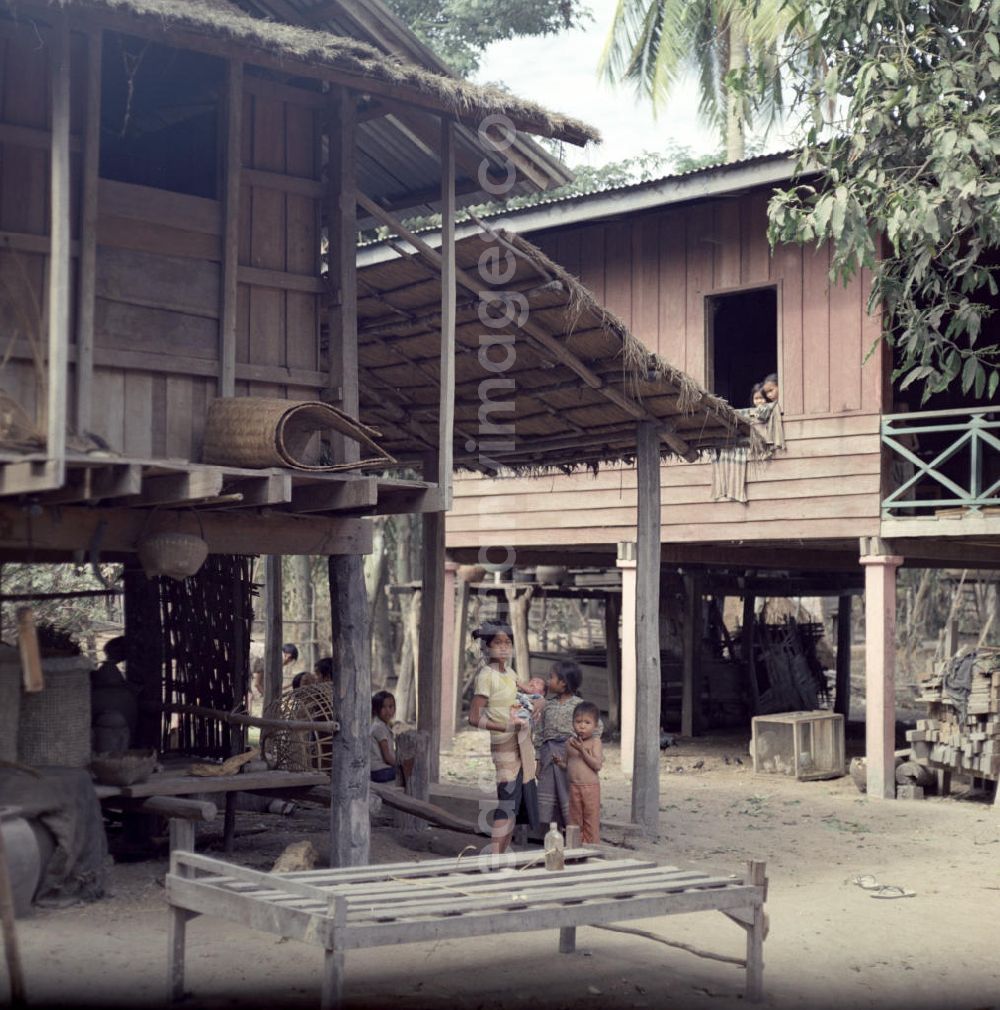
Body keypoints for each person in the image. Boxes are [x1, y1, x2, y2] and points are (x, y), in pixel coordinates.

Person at [468, 621, 540, 853]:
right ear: (487, 646)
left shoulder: (510, 672)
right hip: (503, 744)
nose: (503, 648)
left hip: (521, 741)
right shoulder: (486, 676)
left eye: (507, 643)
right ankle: (495, 855)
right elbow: (474, 718)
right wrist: (505, 725)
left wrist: (533, 697)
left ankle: (502, 853)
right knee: (507, 800)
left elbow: (524, 691)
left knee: (516, 801)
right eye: (497, 643)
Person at [534, 660, 584, 828]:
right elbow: (540, 734)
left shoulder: (579, 705)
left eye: (551, 677)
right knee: (548, 789)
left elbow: (596, 727)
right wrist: (538, 760)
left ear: (563, 682)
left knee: (567, 791)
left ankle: (571, 827)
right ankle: (552, 830)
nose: (548, 681)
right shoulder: (547, 706)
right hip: (548, 756)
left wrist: (582, 751)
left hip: (569, 756)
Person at [567, 701, 603, 844]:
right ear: (573, 723)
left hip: (590, 787)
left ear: (595, 726)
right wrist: (560, 763)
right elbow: (568, 763)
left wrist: (582, 750)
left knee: (591, 819)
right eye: (578, 722)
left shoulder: (595, 742)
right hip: (573, 786)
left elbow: (597, 765)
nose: (582, 726)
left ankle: (593, 848)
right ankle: (575, 848)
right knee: (574, 820)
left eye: (587, 722)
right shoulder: (569, 743)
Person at [370, 690, 397, 783]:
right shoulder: (379, 727)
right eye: (383, 707)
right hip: (379, 772)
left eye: (390, 706)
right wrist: (400, 765)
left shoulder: (383, 725)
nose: (388, 711)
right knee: (409, 770)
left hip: (379, 771)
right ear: (375, 709)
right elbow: (387, 757)